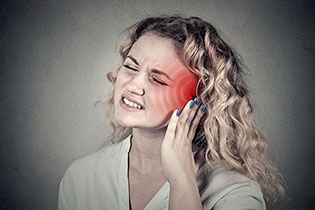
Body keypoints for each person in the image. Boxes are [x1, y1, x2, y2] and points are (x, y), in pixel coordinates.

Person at [58, 15, 284, 210]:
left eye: (157, 79)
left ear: (200, 98)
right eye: (130, 67)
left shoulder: (235, 192)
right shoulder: (81, 177)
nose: (133, 85)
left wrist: (182, 182)